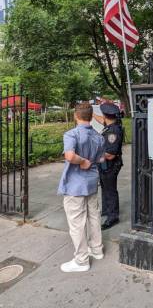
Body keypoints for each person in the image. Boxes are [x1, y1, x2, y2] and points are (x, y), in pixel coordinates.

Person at [58, 103, 105, 273]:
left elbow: (69, 155)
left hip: (75, 184)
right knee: (94, 216)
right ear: (91, 116)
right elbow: (101, 159)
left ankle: (81, 260)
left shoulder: (72, 134)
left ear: (75, 116)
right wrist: (90, 159)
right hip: (92, 181)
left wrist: (83, 161)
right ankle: (97, 249)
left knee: (77, 223)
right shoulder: (99, 137)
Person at [97, 102, 123, 230]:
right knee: (105, 187)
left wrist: (93, 156)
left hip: (110, 164)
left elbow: (110, 154)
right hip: (104, 165)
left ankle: (113, 217)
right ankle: (107, 210)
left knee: (110, 190)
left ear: (105, 115)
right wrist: (90, 114)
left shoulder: (113, 131)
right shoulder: (110, 125)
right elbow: (102, 120)